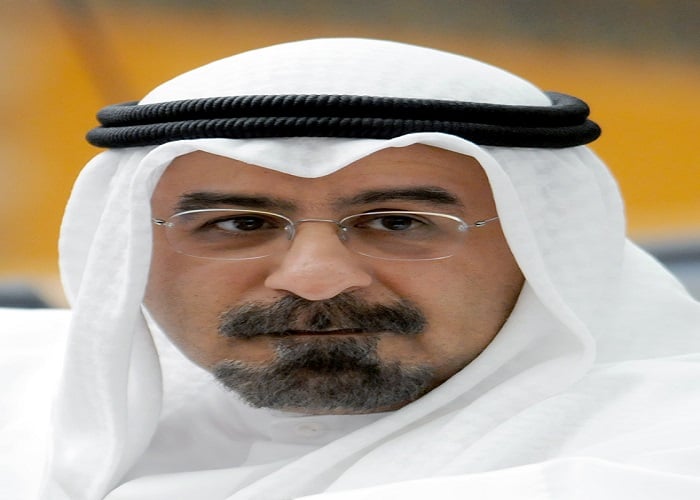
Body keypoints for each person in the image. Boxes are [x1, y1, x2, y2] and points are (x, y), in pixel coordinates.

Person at [1, 38, 699, 500]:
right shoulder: (22, 390)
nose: (314, 278)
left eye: (398, 223)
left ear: (540, 246)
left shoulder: (654, 456)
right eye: (238, 224)